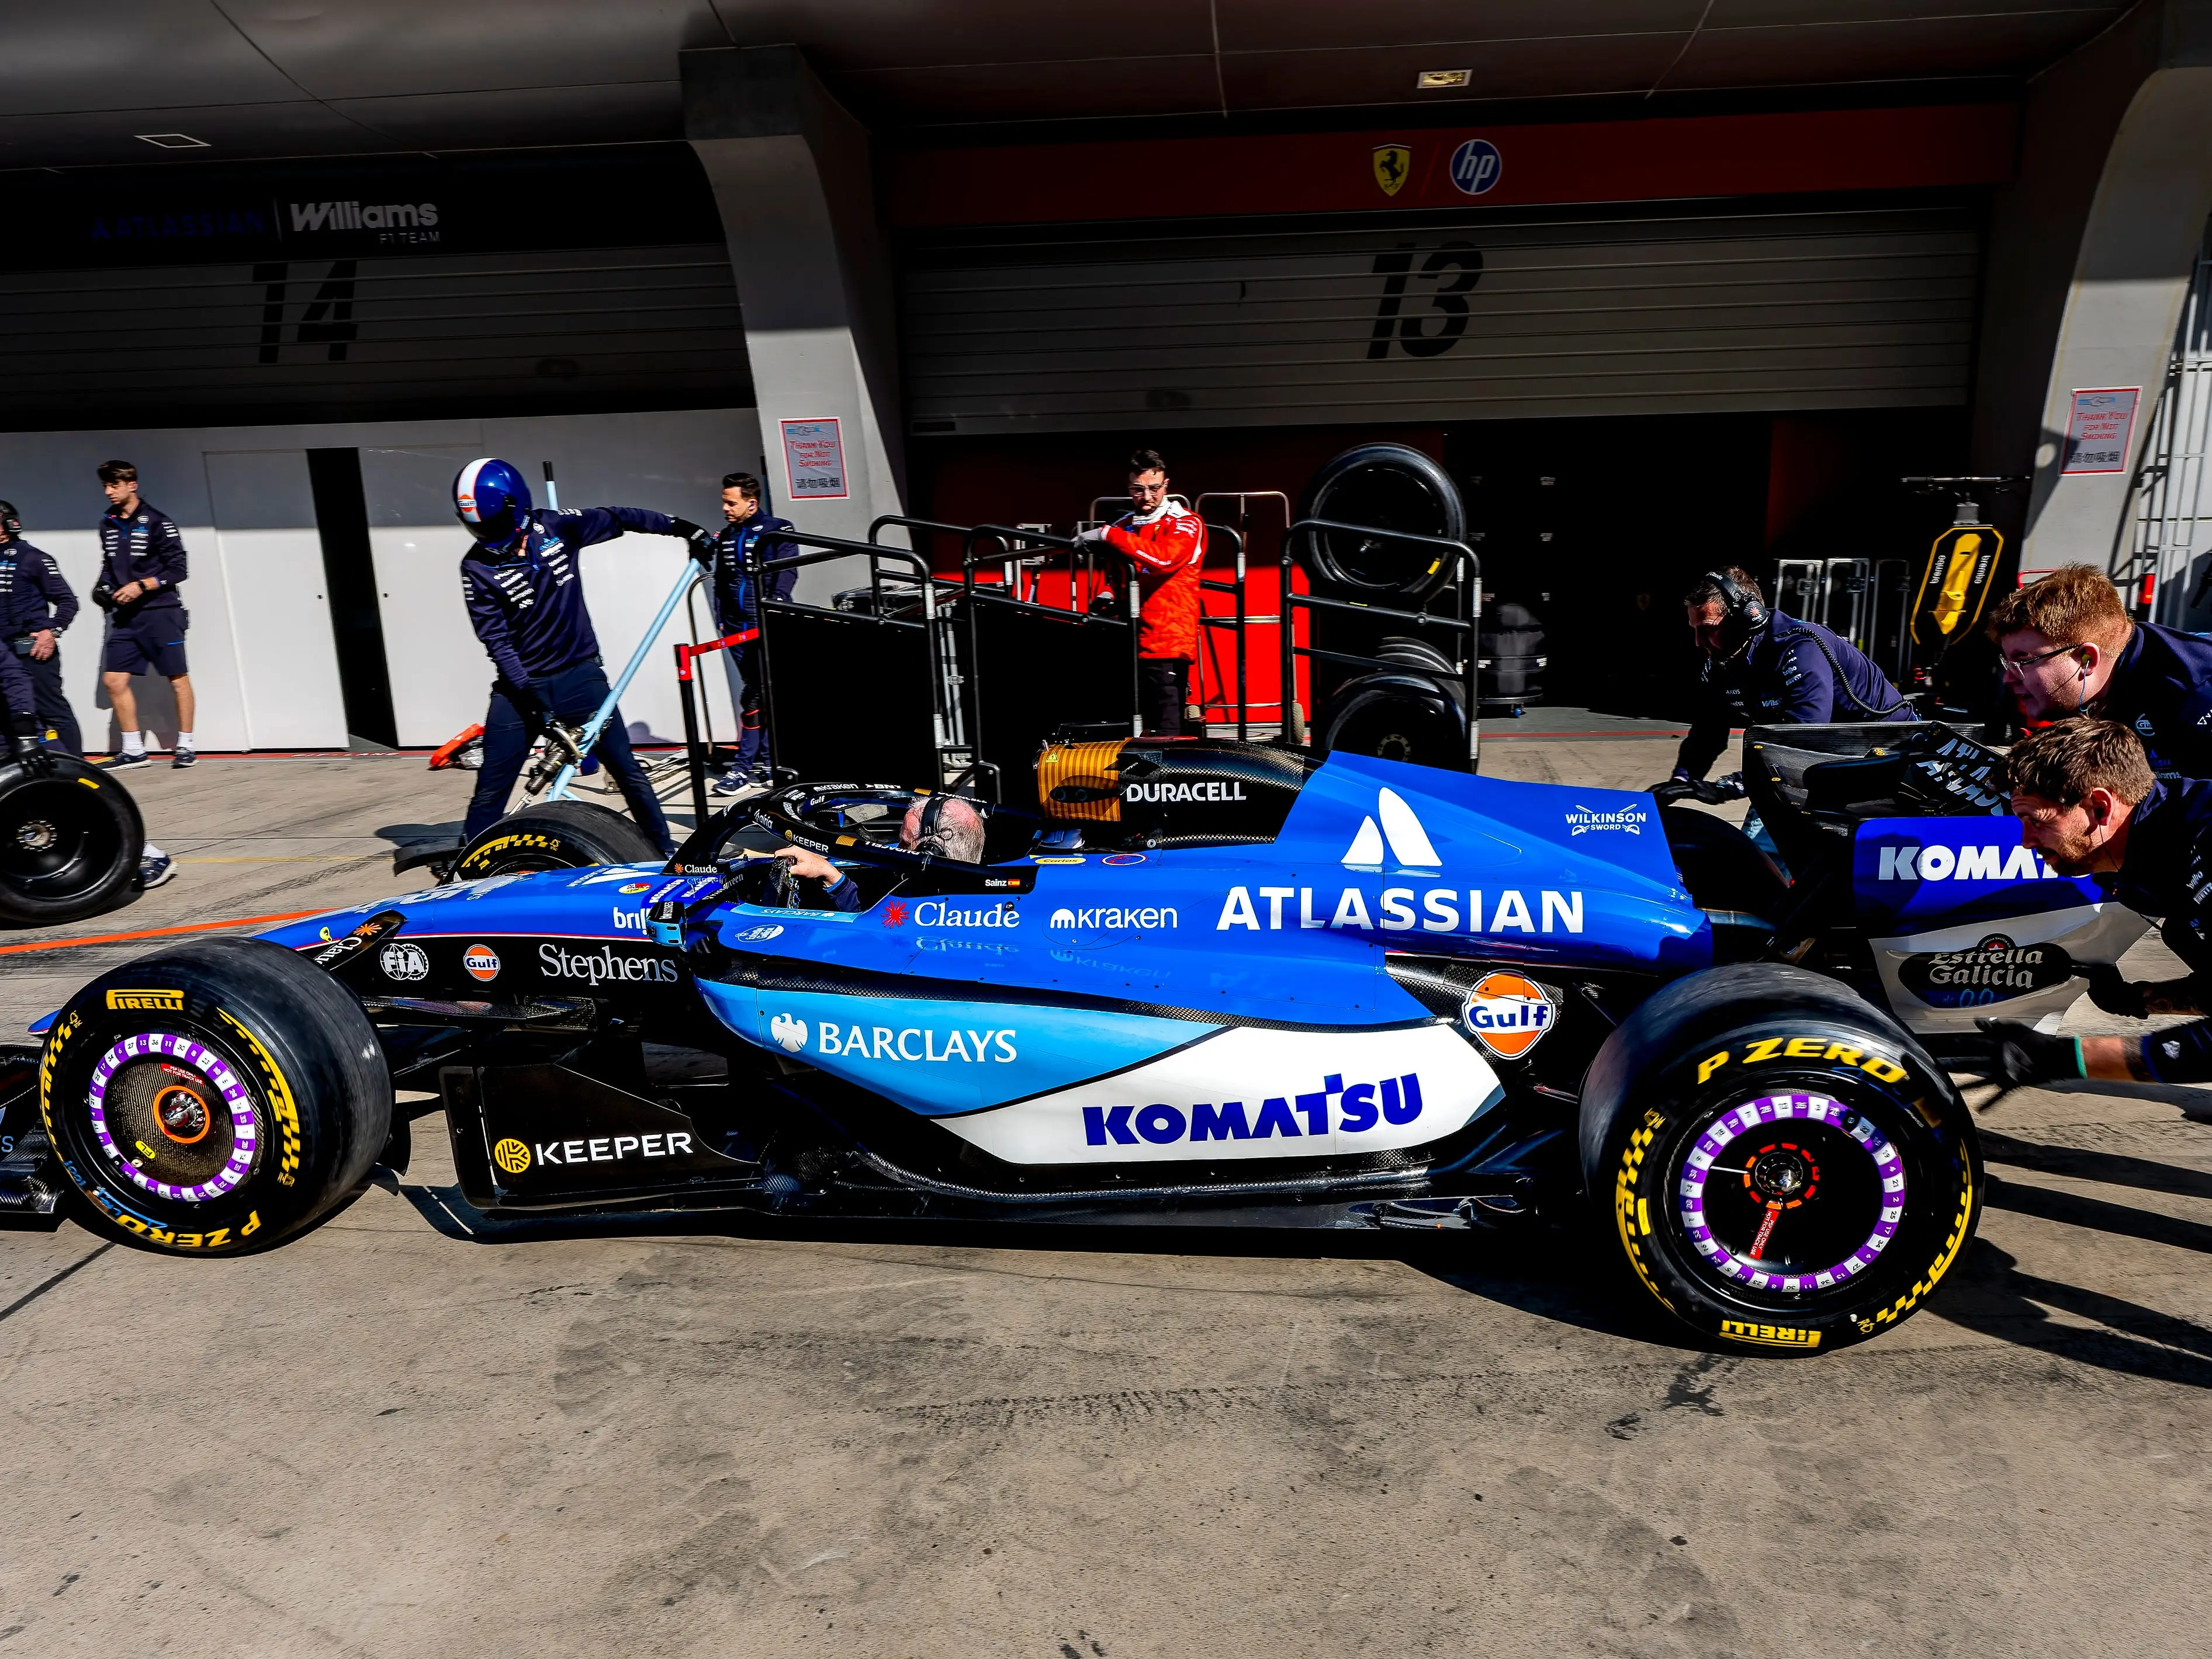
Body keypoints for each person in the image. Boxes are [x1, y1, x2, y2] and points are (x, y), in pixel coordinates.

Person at [453, 456, 719, 856]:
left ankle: (665, 853)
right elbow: (497, 642)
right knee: (491, 788)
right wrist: (533, 701)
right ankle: (467, 864)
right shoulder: (475, 567)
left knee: (628, 771)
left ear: (516, 505)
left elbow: (620, 518)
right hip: (520, 691)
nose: (486, 534)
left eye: (493, 524)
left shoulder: (557, 527)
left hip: (581, 679)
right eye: (477, 527)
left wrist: (684, 528)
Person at [1972, 719, 2212, 1087]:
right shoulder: (2149, 846)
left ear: (2099, 808)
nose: (2025, 841)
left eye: (2035, 821)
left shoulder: (2205, 844)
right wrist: (2139, 998)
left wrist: (2063, 1058)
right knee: (2180, 932)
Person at [1669, 567, 1915, 787]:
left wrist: (1738, 784)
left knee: (1777, 816)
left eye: (1709, 629)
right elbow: (1708, 732)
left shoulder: (1801, 648)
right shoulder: (1723, 659)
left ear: (1747, 618)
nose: (1699, 642)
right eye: (1695, 630)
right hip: (1832, 751)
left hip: (1890, 749)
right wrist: (1682, 780)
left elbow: (1806, 736)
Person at [1985, 563, 2212, 779]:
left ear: (2087, 659)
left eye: (2024, 661)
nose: (2009, 678)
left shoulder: (2193, 694)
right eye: (2008, 663)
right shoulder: (2117, 660)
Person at [1072, 449, 1205, 736]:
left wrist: (1108, 535)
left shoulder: (1186, 522)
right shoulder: (1124, 526)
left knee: (1166, 728)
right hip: (1128, 636)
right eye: (1138, 489)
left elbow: (1164, 559)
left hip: (1167, 639)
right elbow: (1118, 578)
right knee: (1125, 724)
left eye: (1155, 488)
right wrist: (1108, 594)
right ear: (1128, 487)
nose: (1147, 497)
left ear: (1166, 485)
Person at [92, 460, 195, 770]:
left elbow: (179, 570)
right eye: (106, 486)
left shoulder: (158, 522)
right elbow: (110, 565)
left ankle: (186, 746)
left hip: (161, 612)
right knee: (113, 681)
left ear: (132, 485)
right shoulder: (108, 523)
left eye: (115, 485)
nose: (109, 492)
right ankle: (134, 751)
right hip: (126, 617)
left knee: (177, 679)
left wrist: (141, 586)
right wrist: (103, 588)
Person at [707, 472, 798, 796]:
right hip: (736, 627)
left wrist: (776, 608)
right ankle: (763, 764)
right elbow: (721, 581)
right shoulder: (727, 535)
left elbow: (787, 572)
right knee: (754, 693)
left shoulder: (778, 528)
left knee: (762, 696)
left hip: (765, 624)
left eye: (731, 503)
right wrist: (720, 618)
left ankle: (747, 767)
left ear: (752, 503)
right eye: (724, 502)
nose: (725, 508)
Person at [771, 795, 986, 912]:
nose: (897, 848)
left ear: (932, 853)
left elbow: (870, 928)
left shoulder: (927, 911)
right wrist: (831, 874)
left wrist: (831, 876)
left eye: (905, 842)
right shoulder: (969, 896)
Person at [0, 500, 82, 757]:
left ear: (9, 523)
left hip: (32, 651)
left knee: (51, 711)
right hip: (3, 653)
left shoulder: (33, 558)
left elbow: (68, 602)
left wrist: (51, 632)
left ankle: (77, 769)